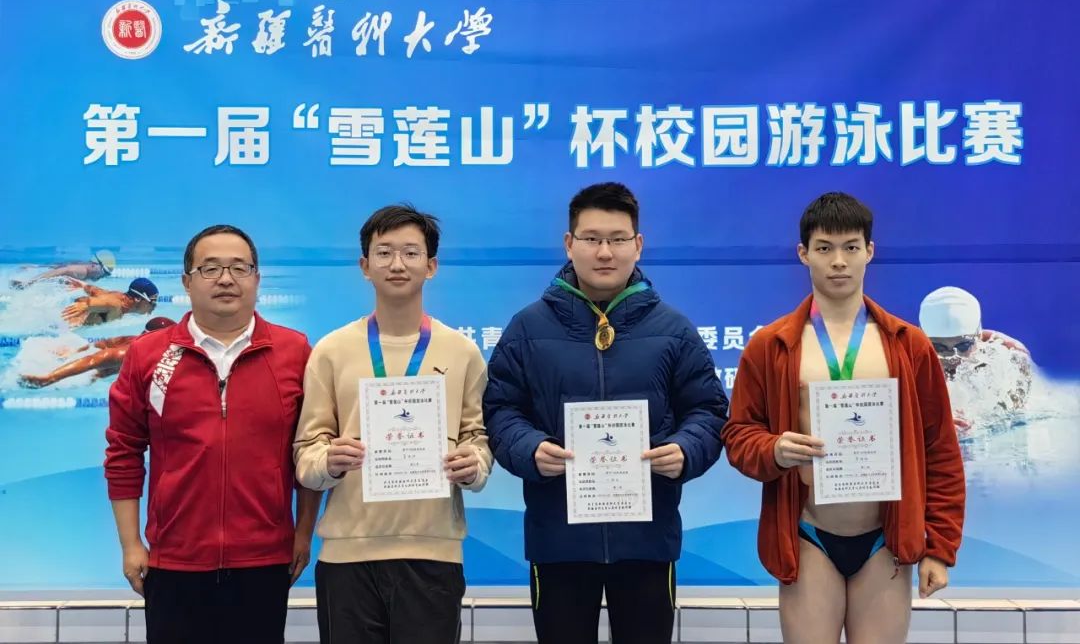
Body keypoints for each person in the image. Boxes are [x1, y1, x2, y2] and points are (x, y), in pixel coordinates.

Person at [483, 182, 727, 644]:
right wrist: (531, 448)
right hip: (559, 541)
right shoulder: (527, 328)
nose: (604, 252)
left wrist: (685, 449)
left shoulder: (673, 329)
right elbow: (500, 409)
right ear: (568, 243)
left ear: (638, 244)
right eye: (592, 238)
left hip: (647, 541)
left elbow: (709, 410)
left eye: (617, 239)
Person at [723, 192, 965, 644]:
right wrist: (774, 450)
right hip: (809, 534)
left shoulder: (908, 345)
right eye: (824, 248)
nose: (838, 261)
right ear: (803, 254)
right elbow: (738, 435)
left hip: (884, 540)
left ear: (869, 251)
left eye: (851, 247)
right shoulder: (770, 345)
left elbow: (941, 451)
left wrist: (940, 547)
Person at [104, 225, 320, 644]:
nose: (225, 279)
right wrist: (131, 545)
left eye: (239, 267)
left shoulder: (294, 352)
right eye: (210, 268)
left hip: (263, 562)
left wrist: (304, 533)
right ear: (187, 282)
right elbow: (123, 452)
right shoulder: (149, 355)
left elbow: (308, 452)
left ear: (257, 278)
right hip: (173, 563)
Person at [294, 205, 491, 644]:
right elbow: (306, 455)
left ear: (431, 265)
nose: (397, 264)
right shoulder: (332, 351)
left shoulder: (461, 352)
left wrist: (473, 465)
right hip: (348, 556)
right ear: (365, 266)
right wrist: (330, 461)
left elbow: (478, 440)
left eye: (410, 252)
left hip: (433, 552)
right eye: (383, 253)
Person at [919, 286, 1032, 429]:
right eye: (938, 347)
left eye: (963, 346)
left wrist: (979, 423)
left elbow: (1016, 417)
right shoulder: (908, 356)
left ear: (978, 336)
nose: (952, 357)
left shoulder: (1011, 354)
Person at [19, 316, 175, 388]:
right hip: (82, 375)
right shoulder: (128, 353)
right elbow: (92, 361)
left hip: (88, 361)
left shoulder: (133, 339)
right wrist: (50, 378)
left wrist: (75, 351)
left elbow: (105, 343)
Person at [61, 277, 157, 327]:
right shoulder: (116, 305)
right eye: (152, 302)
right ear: (138, 299)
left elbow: (97, 291)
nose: (154, 306)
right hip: (66, 327)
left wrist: (84, 285)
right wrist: (85, 305)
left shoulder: (118, 296)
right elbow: (90, 302)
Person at [11, 249, 116, 288]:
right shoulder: (82, 272)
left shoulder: (86, 267)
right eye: (104, 272)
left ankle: (29, 269)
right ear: (95, 265)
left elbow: (60, 266)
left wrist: (35, 267)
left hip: (54, 269)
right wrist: (31, 282)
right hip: (54, 274)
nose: (103, 276)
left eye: (106, 275)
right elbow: (62, 270)